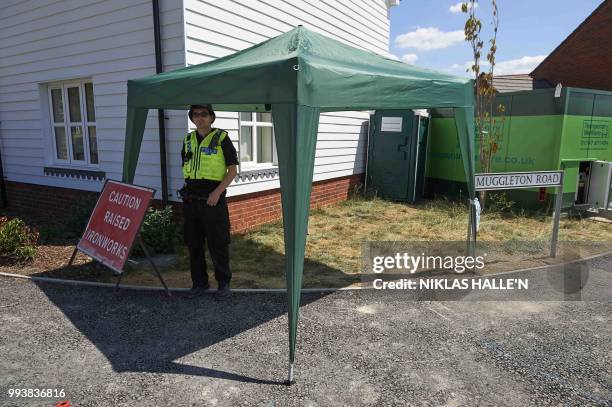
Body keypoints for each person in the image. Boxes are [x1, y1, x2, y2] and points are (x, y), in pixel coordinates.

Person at [180, 104, 238, 299]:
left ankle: (223, 284)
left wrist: (217, 193)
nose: (199, 118)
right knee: (193, 244)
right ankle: (199, 283)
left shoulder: (222, 138)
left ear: (212, 117)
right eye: (195, 115)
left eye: (204, 114)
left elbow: (232, 171)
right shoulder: (187, 140)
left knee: (218, 243)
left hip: (213, 199)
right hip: (191, 200)